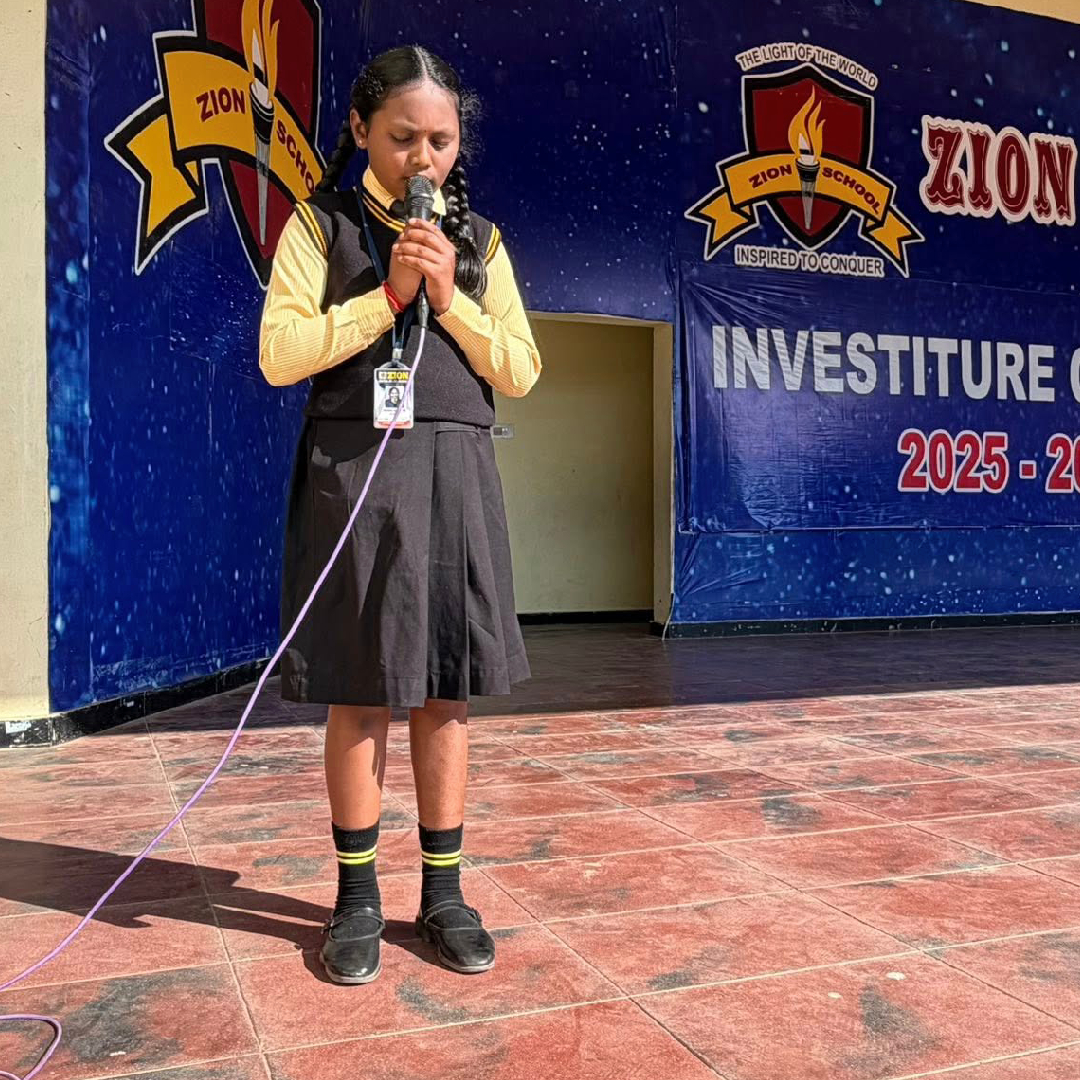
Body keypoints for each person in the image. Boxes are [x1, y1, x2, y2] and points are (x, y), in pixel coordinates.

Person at [258, 45, 541, 985]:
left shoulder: (482, 241)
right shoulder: (320, 224)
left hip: (454, 473)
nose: (424, 159)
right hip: (356, 474)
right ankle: (356, 898)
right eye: (403, 138)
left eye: (442, 141)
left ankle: (445, 895)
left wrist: (448, 298)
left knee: (447, 690)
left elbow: (520, 369)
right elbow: (280, 354)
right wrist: (386, 298)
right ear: (360, 130)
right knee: (361, 688)